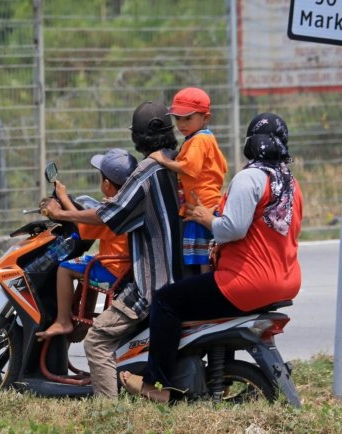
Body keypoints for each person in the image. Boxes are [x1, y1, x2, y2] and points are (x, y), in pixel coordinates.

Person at [119, 113, 303, 403]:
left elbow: (232, 229)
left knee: (167, 301)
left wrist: (207, 218)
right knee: (213, 309)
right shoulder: (289, 182)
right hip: (286, 281)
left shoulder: (251, 177)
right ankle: (220, 380)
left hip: (246, 281)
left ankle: (157, 385)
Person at [40, 101, 183, 398]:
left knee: (96, 341)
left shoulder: (147, 172)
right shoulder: (175, 164)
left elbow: (108, 215)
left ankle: (108, 413)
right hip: (178, 279)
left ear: (137, 137)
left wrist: (60, 214)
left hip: (150, 287)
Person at [35, 148, 137, 341]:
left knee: (65, 268)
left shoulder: (110, 213)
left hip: (112, 271)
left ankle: (63, 320)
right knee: (88, 264)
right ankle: (83, 321)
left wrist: (63, 198)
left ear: (106, 184)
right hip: (122, 268)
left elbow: (82, 226)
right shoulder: (125, 204)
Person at [150, 87, 227, 275]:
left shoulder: (198, 140)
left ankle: (203, 294)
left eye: (188, 118)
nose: (181, 124)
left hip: (202, 206)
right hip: (206, 204)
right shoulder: (204, 138)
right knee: (207, 256)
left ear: (205, 118)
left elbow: (189, 168)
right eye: (178, 118)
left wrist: (163, 160)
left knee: (203, 261)